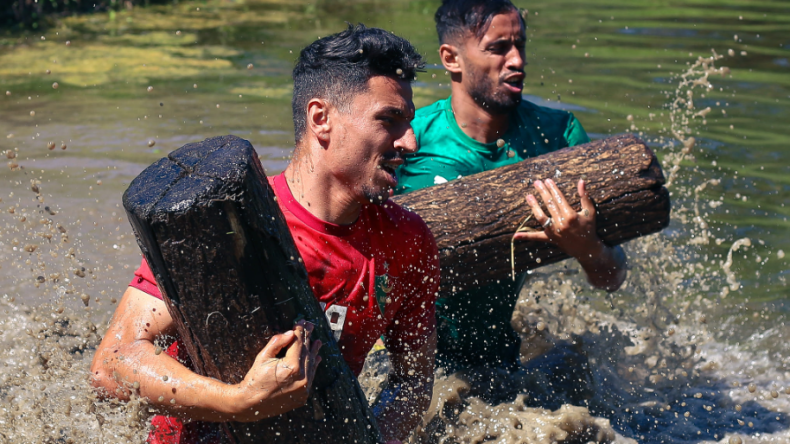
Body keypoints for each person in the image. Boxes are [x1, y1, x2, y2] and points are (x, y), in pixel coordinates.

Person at [91, 24, 440, 444]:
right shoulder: (224, 222)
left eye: (409, 122)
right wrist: (237, 401)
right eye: (389, 120)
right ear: (321, 118)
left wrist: (374, 438)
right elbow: (112, 362)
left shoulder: (407, 240)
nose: (410, 142)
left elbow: (412, 381)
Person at [396, 0, 627, 373]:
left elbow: (612, 277)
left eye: (520, 45)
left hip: (500, 358)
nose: (517, 61)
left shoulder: (558, 139)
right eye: (498, 48)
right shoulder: (408, 141)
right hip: (400, 357)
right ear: (451, 59)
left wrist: (588, 248)